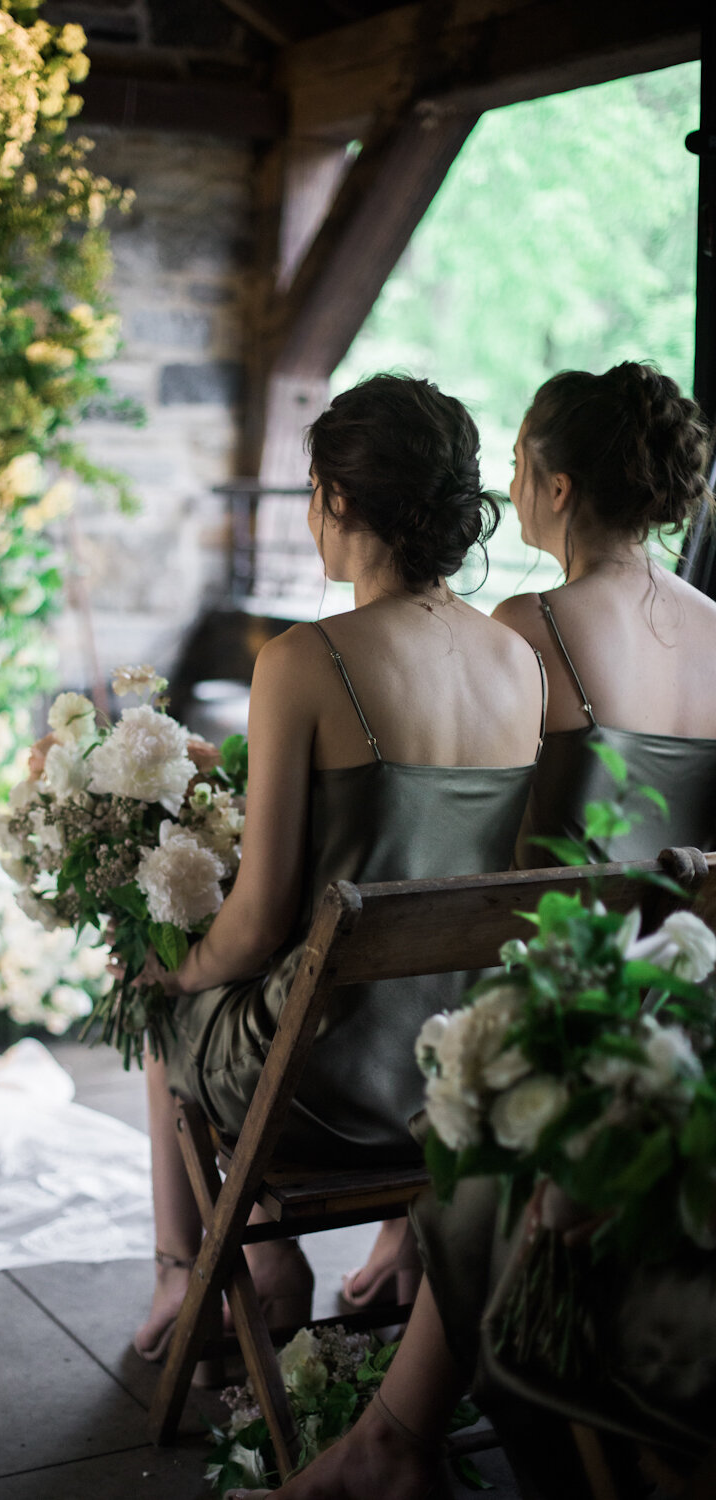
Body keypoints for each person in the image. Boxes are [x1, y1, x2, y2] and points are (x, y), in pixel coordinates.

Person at [236, 361, 716, 1498]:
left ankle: (320, 1281)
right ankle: (411, 1253)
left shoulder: (526, 627)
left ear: (550, 487)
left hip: (560, 978)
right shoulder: (712, 629)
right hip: (675, 975)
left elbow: (501, 867)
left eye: (515, 466)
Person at [132, 373, 547, 1362]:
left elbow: (263, 921)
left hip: (314, 1083)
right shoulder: (516, 661)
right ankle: (269, 1266)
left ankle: (185, 1278)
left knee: (152, 988)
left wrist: (177, 971)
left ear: (340, 500)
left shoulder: (304, 662)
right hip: (451, 1082)